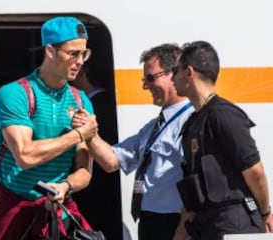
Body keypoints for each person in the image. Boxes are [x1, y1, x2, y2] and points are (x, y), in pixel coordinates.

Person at [0, 16, 98, 240]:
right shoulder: (15, 93)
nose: (80, 62)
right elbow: (25, 155)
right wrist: (77, 135)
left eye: (84, 54)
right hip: (16, 208)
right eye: (73, 54)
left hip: (59, 206)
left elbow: (85, 170)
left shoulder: (81, 100)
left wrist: (65, 186)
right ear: (50, 51)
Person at [73, 43, 195, 240]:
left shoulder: (191, 123)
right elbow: (112, 161)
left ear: (174, 74)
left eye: (150, 78)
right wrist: (89, 133)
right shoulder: (153, 127)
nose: (146, 86)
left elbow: (197, 184)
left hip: (174, 224)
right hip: (150, 222)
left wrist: (183, 230)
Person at [172, 40, 273, 239]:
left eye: (175, 71)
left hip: (234, 224)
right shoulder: (194, 122)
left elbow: (254, 170)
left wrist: (265, 212)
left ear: (189, 73)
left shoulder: (223, 114)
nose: (172, 77)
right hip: (207, 225)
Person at [71, 66, 123, 240]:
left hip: (95, 188)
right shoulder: (111, 101)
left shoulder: (93, 106)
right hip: (112, 188)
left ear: (83, 73)